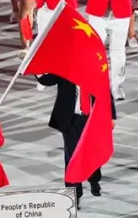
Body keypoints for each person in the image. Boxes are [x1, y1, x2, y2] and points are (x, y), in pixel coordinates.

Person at [41, 73, 111, 204]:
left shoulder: (94, 66)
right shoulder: (65, 67)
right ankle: (74, 193)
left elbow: (105, 90)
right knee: (72, 157)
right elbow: (46, 80)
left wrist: (112, 115)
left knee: (92, 153)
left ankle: (94, 179)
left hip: (92, 118)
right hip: (70, 120)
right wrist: (31, 62)